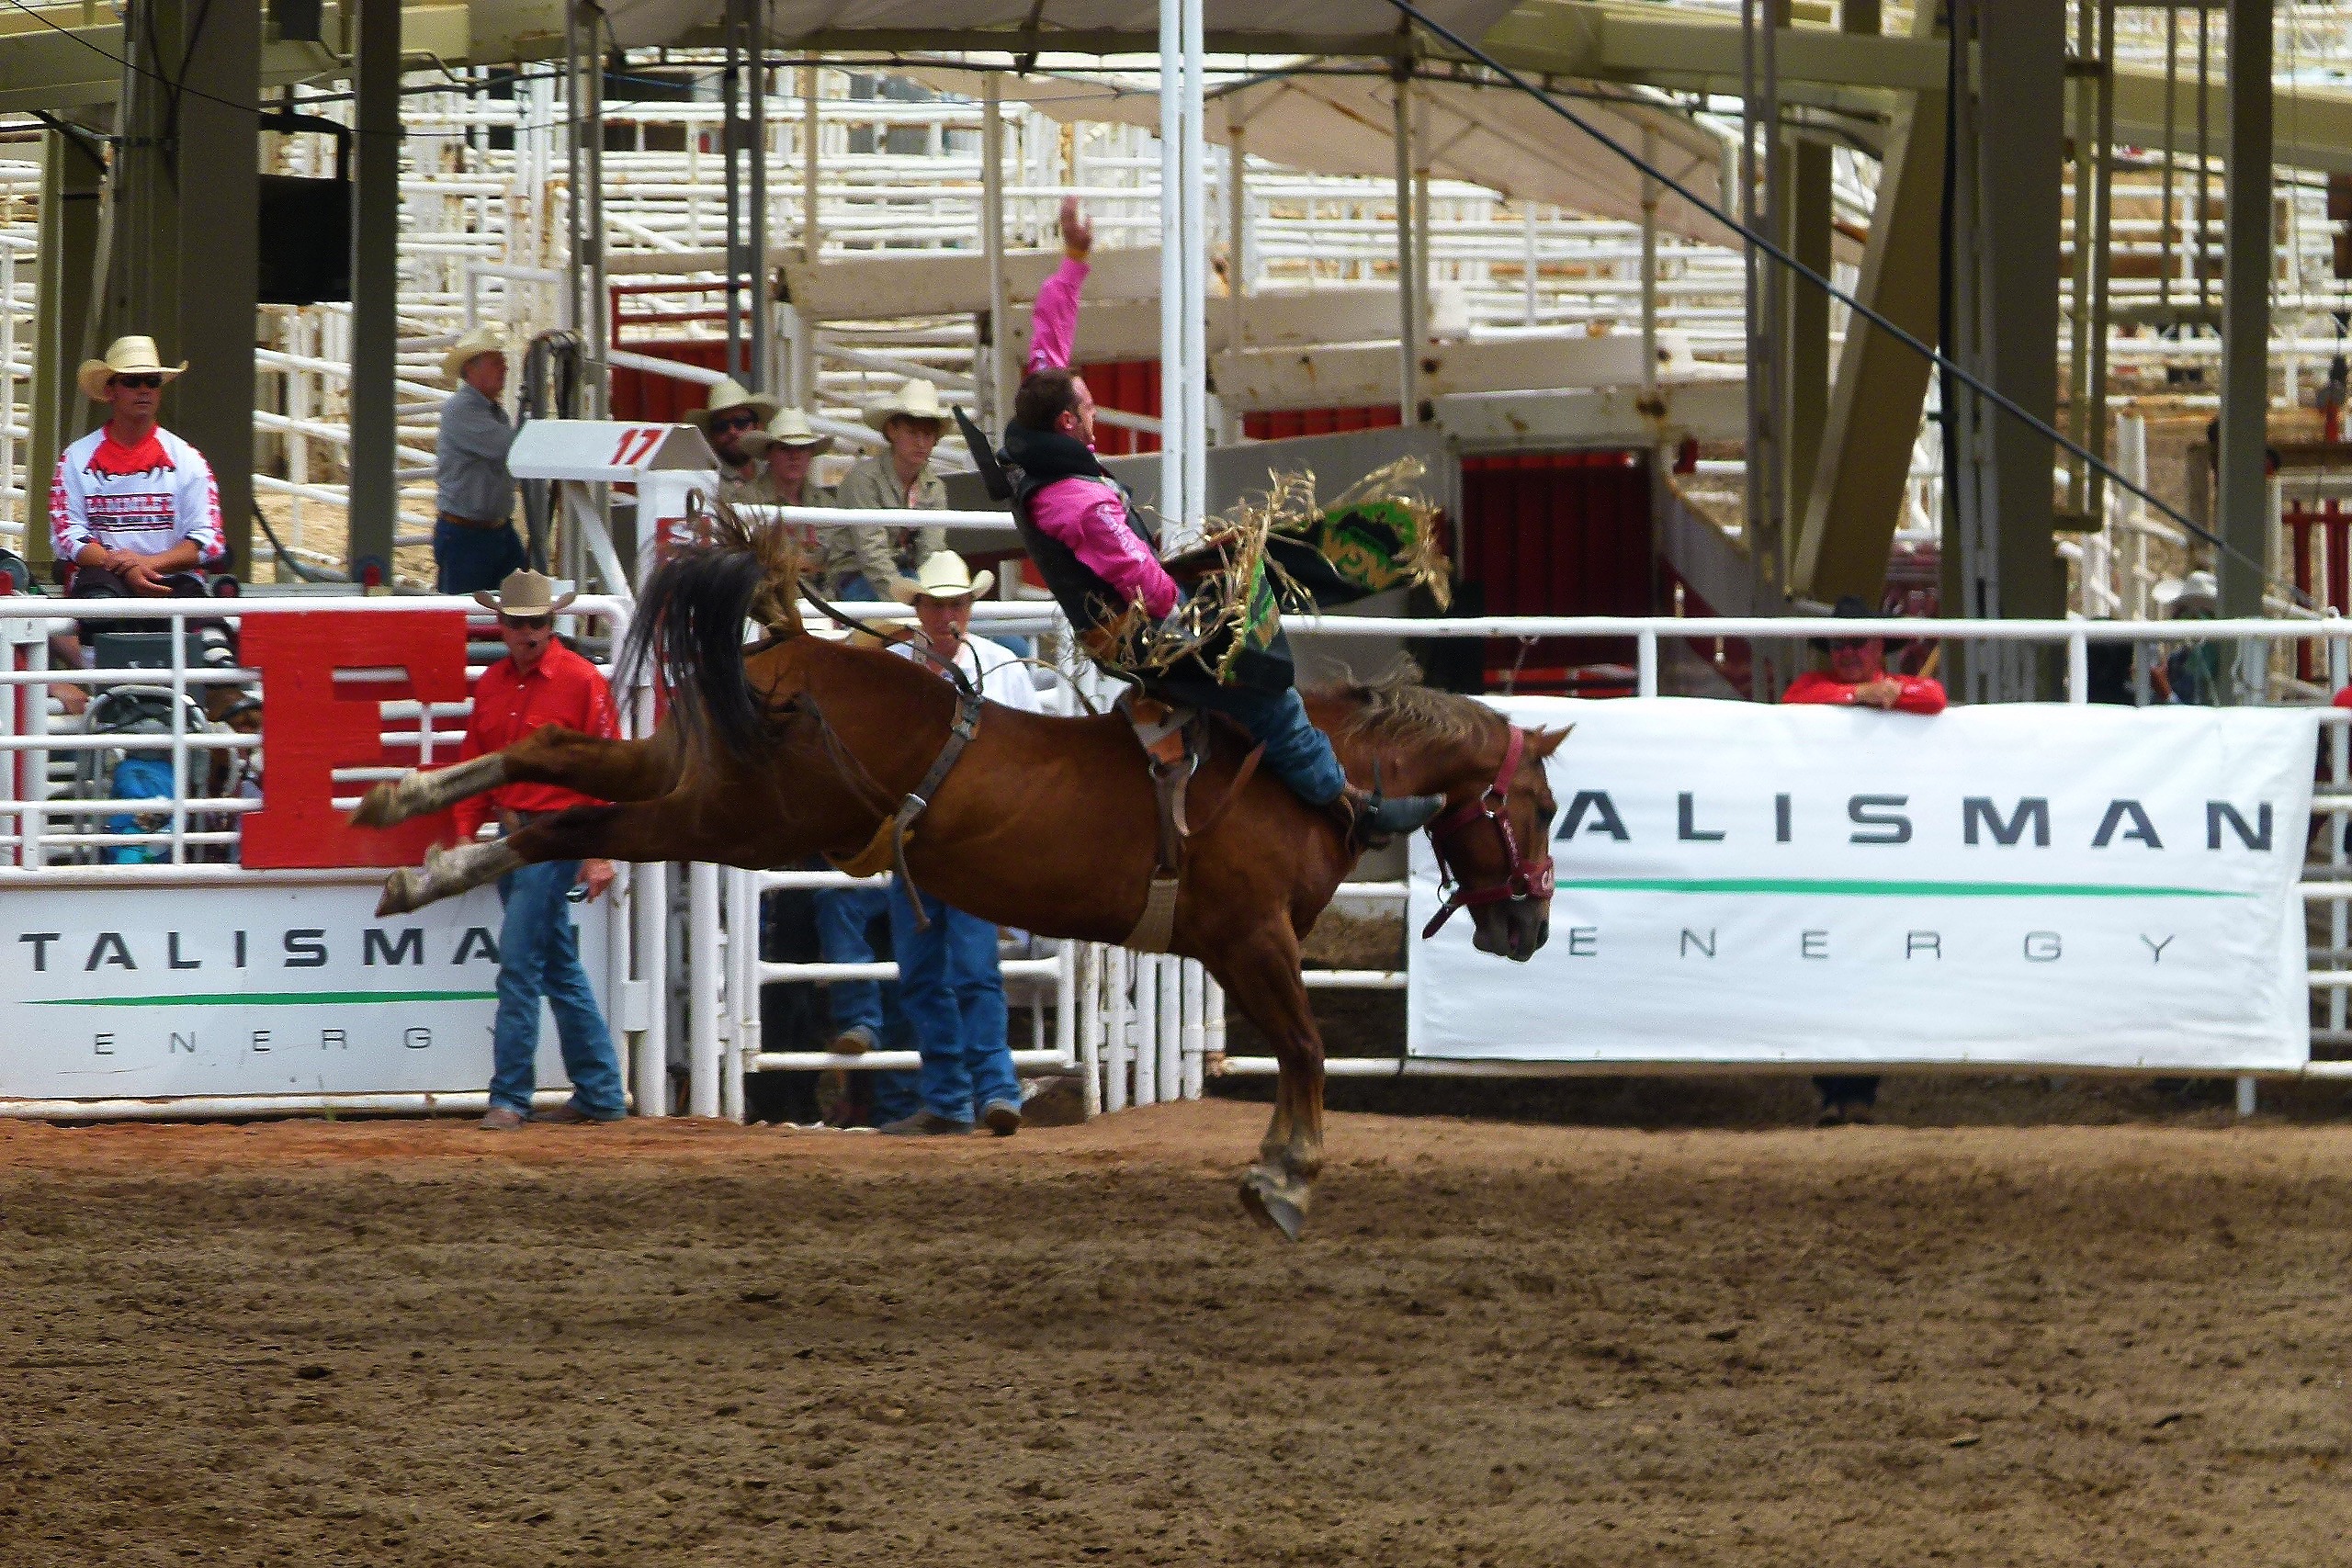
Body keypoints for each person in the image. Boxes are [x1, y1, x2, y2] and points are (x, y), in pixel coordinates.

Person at [1000, 197, 1441, 847]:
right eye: (1088, 406)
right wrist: (1192, 621)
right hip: (1133, 631)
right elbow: (1134, 569)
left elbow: (1048, 333)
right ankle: (1352, 809)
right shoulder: (1078, 501)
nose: (1096, 412)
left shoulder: (1038, 431)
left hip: (1124, 612)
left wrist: (1076, 259)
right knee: (1267, 688)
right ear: (1067, 422)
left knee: (1241, 589)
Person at [872, 551, 1050, 1136]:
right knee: (927, 973)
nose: (947, 615)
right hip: (921, 842)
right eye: (937, 604)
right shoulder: (899, 664)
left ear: (968, 608)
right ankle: (965, 1096)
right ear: (919, 609)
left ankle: (985, 1091)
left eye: (956, 604)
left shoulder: (995, 667)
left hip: (969, 842)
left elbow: (1030, 761)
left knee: (970, 969)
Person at [451, 570, 628, 1130]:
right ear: (502, 625)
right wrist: (465, 833)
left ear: (551, 624)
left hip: (552, 834)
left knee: (522, 963)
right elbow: (479, 761)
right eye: (520, 622)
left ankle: (510, 1095)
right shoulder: (501, 684)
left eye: (538, 623)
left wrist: (597, 848)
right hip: (521, 835)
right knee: (556, 965)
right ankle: (599, 1091)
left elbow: (608, 769)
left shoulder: (578, 681)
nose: (529, 632)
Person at [1781, 593, 1948, 1125]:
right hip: (1825, 844)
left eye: (1858, 641)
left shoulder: (1898, 691)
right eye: (1840, 642)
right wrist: (1861, 697)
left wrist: (1891, 695)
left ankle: (1858, 1089)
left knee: (1871, 959)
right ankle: (1835, 1089)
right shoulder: (1815, 690)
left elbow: (1934, 696)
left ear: (1880, 645)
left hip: (1880, 850)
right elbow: (1794, 702)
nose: (1848, 651)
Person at [51, 334, 225, 604]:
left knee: (212, 639)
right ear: (110, 391)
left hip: (172, 581)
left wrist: (147, 565)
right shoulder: (75, 458)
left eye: (152, 381)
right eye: (132, 381)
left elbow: (209, 539)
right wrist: (127, 568)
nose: (144, 389)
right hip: (101, 582)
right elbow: (67, 535)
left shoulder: (189, 459)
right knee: (98, 611)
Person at [826, 377, 950, 601]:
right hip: (855, 577)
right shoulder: (863, 479)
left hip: (909, 578)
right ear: (892, 431)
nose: (921, 443)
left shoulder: (934, 487)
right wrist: (911, 601)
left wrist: (938, 593)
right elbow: (871, 553)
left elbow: (931, 552)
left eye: (928, 435)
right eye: (913, 433)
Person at [434, 324, 529, 594]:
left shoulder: (490, 412)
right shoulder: (462, 410)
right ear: (473, 370)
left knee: (496, 609)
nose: (504, 368)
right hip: (469, 536)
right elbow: (509, 449)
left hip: (486, 531)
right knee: (479, 613)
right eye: (496, 362)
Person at [736, 406, 833, 565]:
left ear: (811, 454)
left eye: (801, 448)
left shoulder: (826, 503)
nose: (794, 456)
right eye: (784, 448)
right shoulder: (745, 501)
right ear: (769, 454)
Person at [683, 376, 781, 500]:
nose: (732, 431)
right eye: (721, 426)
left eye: (740, 422)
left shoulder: (774, 470)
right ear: (711, 435)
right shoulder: (706, 480)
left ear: (758, 427)